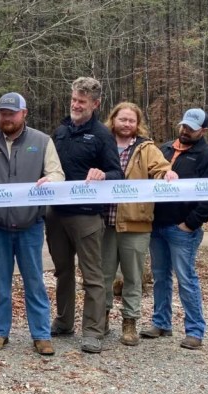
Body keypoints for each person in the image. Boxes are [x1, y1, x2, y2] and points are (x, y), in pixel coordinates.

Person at [0, 92, 64, 356]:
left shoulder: (42, 141)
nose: (7, 118)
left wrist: (51, 181)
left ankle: (41, 334)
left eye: (12, 113)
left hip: (30, 225)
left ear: (24, 113)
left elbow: (57, 172)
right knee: (0, 281)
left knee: (34, 281)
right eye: (3, 113)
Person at [46, 77, 123, 353]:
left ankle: (93, 330)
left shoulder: (102, 135)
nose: (76, 105)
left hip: (87, 216)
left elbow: (118, 174)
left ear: (95, 103)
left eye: (82, 101)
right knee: (63, 271)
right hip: (56, 214)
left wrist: (104, 174)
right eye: (73, 100)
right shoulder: (60, 131)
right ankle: (64, 321)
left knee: (92, 275)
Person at [140, 108, 208, 350]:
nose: (185, 130)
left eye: (192, 128)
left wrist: (191, 223)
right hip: (157, 225)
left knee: (186, 279)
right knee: (160, 276)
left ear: (203, 131)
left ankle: (195, 330)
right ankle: (161, 322)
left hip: (183, 228)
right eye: (184, 125)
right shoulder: (164, 149)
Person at [100, 102, 177, 346]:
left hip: (136, 223)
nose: (127, 124)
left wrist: (167, 174)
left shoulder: (147, 148)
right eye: (122, 119)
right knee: (103, 276)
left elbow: (161, 168)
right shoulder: (102, 143)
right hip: (103, 222)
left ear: (137, 123)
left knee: (133, 277)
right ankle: (100, 319)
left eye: (131, 120)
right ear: (113, 120)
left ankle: (129, 322)